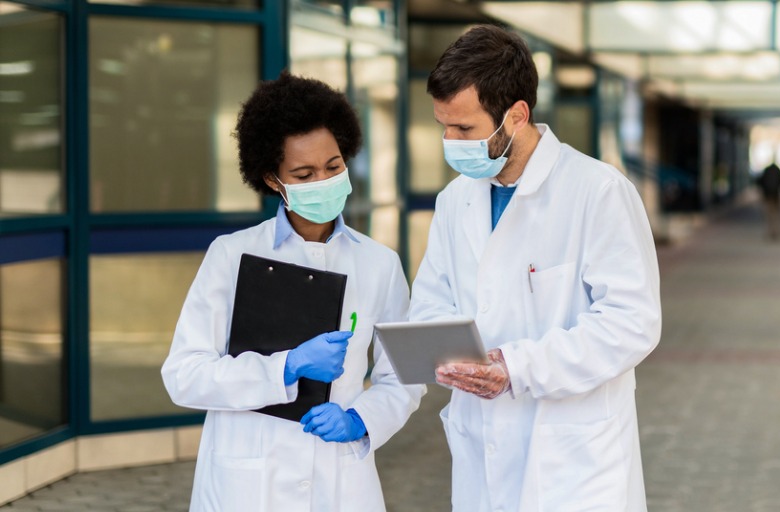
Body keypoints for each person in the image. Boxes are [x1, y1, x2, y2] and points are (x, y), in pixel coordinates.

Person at [410, 25, 662, 511]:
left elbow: (633, 323)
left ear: (516, 116)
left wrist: (518, 367)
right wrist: (436, 349)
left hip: (572, 457)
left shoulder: (597, 191)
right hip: (481, 441)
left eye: (463, 129)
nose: (450, 141)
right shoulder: (455, 200)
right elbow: (432, 300)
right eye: (444, 126)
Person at [161, 71, 424, 511]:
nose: (323, 180)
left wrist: (361, 418)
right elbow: (184, 376)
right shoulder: (231, 255)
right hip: (248, 480)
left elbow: (404, 375)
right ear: (272, 179)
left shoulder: (379, 264)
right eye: (303, 173)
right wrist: (286, 367)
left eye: (333, 166)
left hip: (339, 480)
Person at [755, 161, 780, 241]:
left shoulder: (766, 171)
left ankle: (770, 232)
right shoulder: (777, 170)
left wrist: (761, 194)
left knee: (769, 215)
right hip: (776, 196)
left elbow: (759, 181)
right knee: (777, 215)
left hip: (768, 196)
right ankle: (777, 231)